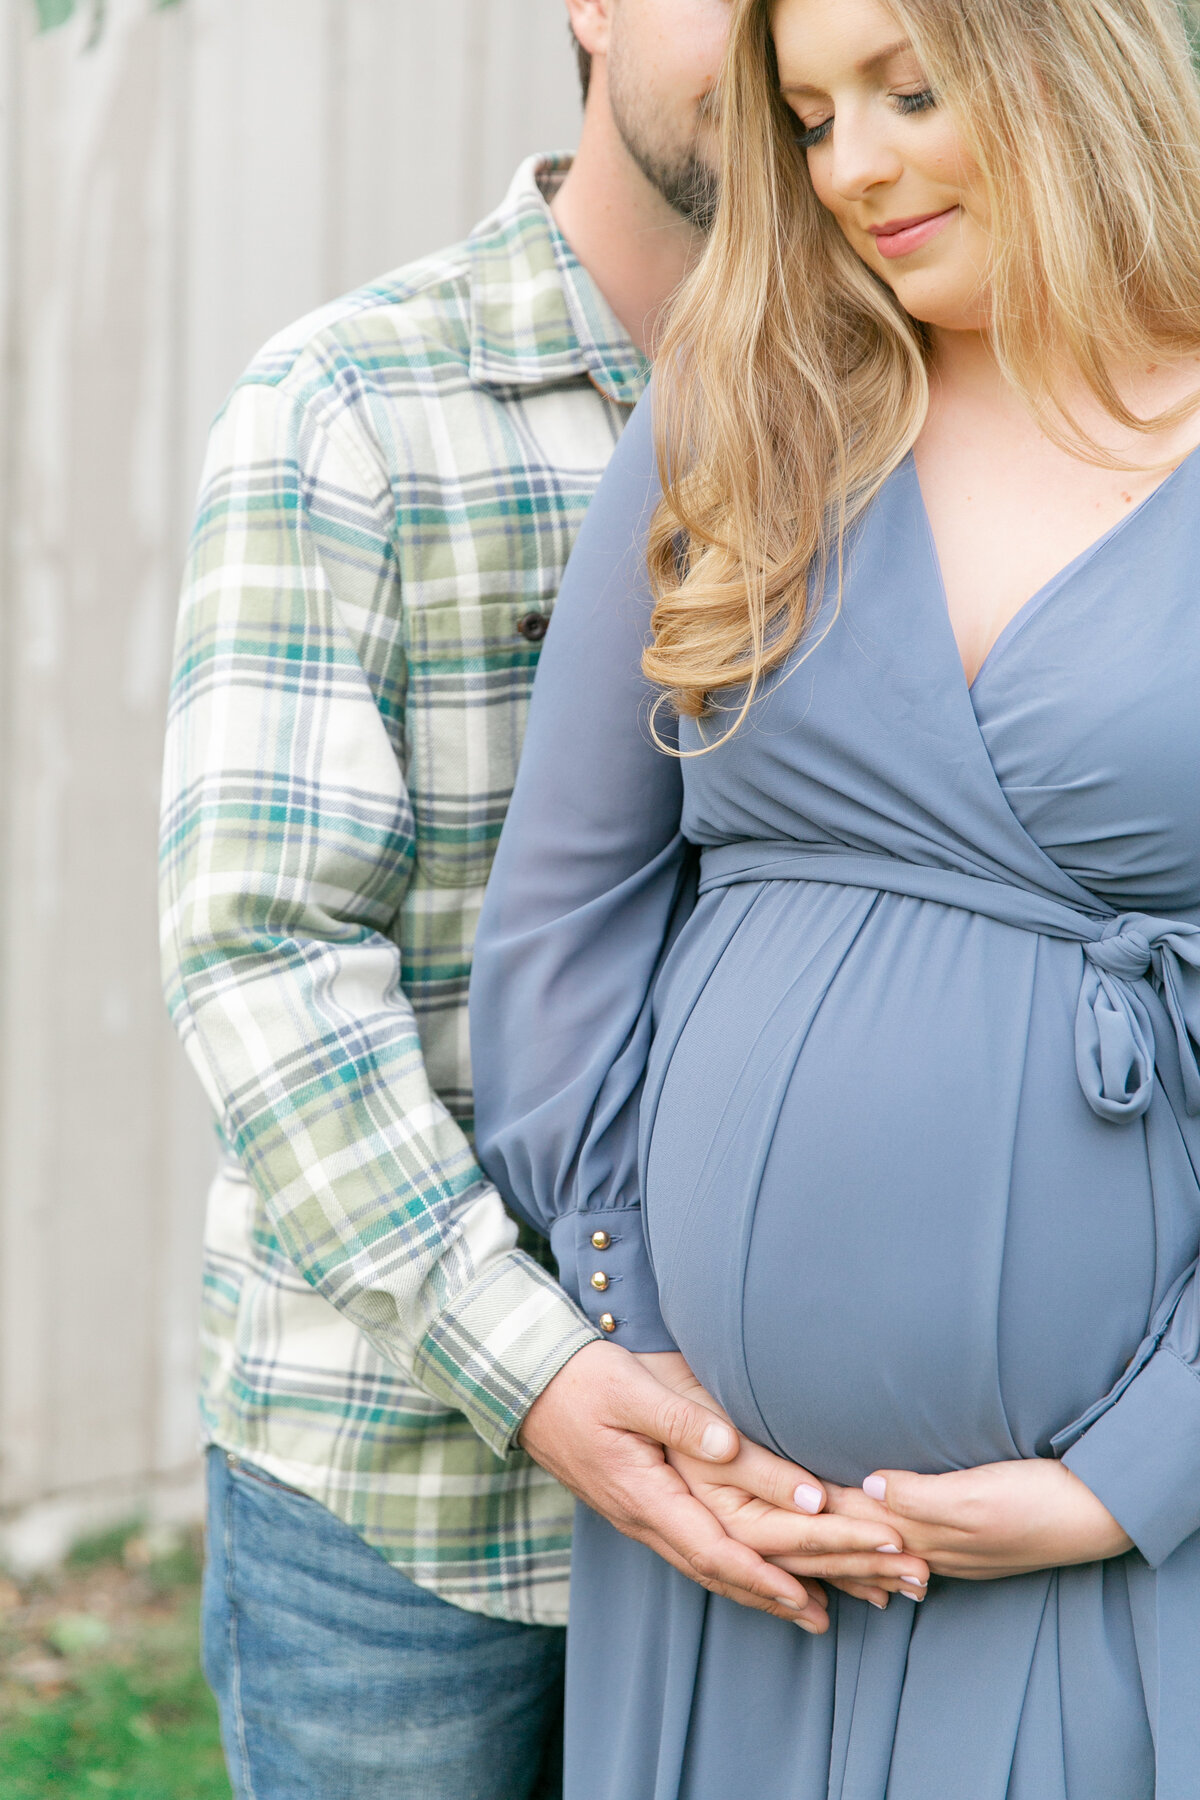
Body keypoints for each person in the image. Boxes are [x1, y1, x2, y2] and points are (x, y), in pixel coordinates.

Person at [159, 4, 919, 1796]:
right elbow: (264, 956)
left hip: (793, 1487)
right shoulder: (353, 403)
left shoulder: (915, 410)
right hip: (414, 1502)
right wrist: (546, 1375)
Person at [469, 0, 1200, 1794]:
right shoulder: (744, 412)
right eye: (807, 115)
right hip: (736, 1548)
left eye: (910, 90)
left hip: (1113, 1551)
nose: (852, 164)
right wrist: (644, 1333)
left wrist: (1144, 1472)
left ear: (1069, 65)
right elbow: (563, 924)